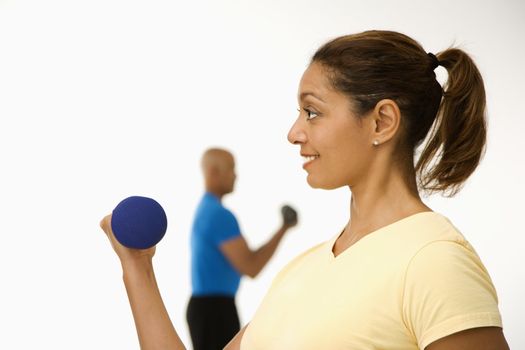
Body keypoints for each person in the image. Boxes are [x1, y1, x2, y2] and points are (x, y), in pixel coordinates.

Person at [99, 30, 509, 349]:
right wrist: (138, 268)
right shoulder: (304, 269)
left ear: (382, 122)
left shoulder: (433, 261)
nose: (294, 133)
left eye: (312, 111)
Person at [186, 148, 297, 350]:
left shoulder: (206, 209)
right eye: (231, 168)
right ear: (213, 172)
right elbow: (251, 266)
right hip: (214, 310)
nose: (235, 175)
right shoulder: (218, 215)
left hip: (210, 308)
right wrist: (284, 228)